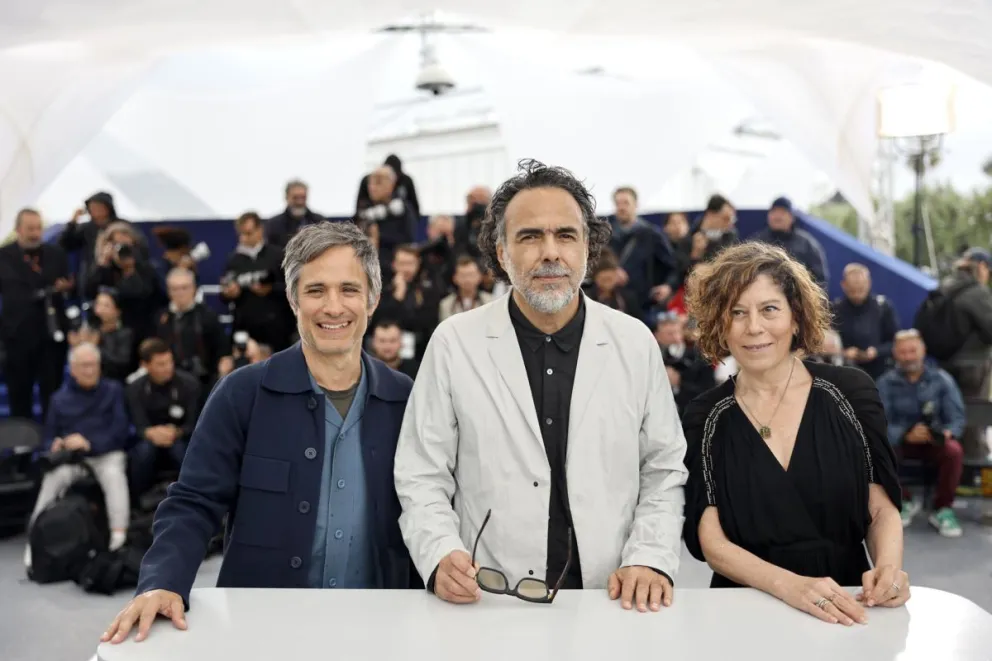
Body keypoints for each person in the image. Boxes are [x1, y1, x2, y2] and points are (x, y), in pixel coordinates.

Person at [102, 223, 418, 645]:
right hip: (261, 628)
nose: (333, 306)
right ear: (292, 299)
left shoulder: (407, 400)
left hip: (381, 624)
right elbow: (194, 500)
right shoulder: (241, 393)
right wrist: (163, 581)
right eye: (316, 290)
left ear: (372, 299)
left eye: (349, 289)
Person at [394, 159, 688, 613]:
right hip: (487, 596)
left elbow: (664, 467)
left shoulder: (633, 343)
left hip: (613, 595)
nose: (550, 252)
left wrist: (650, 557)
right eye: (529, 236)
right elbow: (421, 470)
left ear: (588, 247)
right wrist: (438, 553)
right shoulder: (455, 342)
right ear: (501, 251)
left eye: (566, 235)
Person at [681, 241, 908, 626]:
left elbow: (879, 508)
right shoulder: (705, 415)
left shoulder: (851, 392)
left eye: (769, 309)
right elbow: (713, 543)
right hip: (742, 612)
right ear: (719, 324)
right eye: (737, 313)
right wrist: (790, 587)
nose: (754, 327)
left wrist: (889, 569)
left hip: (848, 605)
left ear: (797, 318)